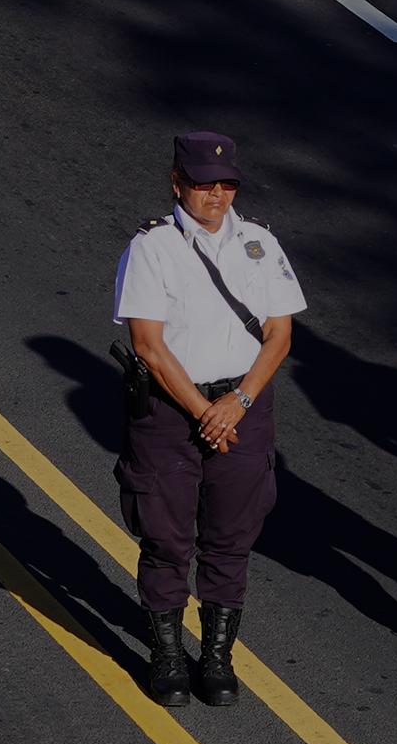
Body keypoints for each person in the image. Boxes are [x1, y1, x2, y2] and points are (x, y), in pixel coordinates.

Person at [112, 131, 305, 708]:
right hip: (173, 413)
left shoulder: (260, 243)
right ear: (178, 183)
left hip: (243, 407)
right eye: (202, 184)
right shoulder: (152, 248)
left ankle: (217, 656)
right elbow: (147, 344)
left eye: (225, 184)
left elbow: (279, 333)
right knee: (166, 536)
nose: (216, 194)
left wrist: (237, 403)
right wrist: (205, 412)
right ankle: (168, 655)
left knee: (231, 535)